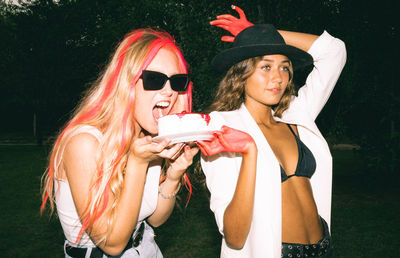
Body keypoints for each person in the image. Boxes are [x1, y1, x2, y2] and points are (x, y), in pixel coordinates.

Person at [197, 6, 346, 257]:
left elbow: (335, 52)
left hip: (324, 247)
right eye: (266, 67)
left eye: (285, 67)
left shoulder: (296, 116)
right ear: (241, 73)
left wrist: (259, 32)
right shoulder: (222, 128)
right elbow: (234, 236)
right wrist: (249, 151)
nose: (278, 77)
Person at [41, 28, 199, 257]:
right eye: (154, 79)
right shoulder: (84, 143)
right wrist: (137, 163)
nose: (169, 91)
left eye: (177, 81)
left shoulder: (146, 139)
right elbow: (112, 243)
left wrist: (174, 174)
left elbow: (155, 218)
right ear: (126, 83)